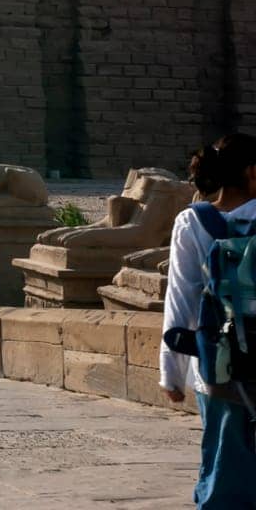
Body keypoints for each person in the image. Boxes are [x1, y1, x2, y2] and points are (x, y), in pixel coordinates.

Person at [161, 134, 256, 506]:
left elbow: (180, 299)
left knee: (223, 458)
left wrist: (170, 373)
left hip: (217, 364)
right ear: (252, 172)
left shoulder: (192, 221)